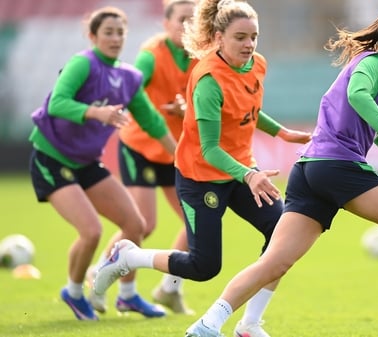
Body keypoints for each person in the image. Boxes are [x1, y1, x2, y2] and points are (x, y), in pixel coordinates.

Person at [99, 10, 378, 337]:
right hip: (335, 166)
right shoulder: (372, 63)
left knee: (275, 260)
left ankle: (208, 325)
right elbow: (358, 97)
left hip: (309, 171)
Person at [93, 0, 311, 336]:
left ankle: (250, 324)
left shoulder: (257, 64)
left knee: (282, 236)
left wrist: (281, 132)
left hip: (240, 171)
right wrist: (250, 174)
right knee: (203, 265)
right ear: (219, 37)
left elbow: (247, 111)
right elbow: (209, 149)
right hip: (202, 177)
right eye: (240, 37)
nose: (249, 44)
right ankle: (127, 257)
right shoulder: (208, 77)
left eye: (254, 36)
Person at [27, 6, 177, 321]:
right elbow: (57, 103)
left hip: (86, 162)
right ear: (93, 36)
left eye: (120, 32)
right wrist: (98, 112)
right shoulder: (83, 63)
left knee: (135, 225)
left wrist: (179, 157)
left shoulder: (129, 76)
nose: (115, 38)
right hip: (52, 158)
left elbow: (151, 120)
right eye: (108, 32)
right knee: (92, 231)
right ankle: (74, 290)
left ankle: (127, 296)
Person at [86, 0, 197, 316]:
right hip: (141, 148)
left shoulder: (201, 56)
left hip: (175, 150)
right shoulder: (151, 54)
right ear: (166, 24)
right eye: (182, 20)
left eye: (194, 20)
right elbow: (132, 88)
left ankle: (169, 289)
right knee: (143, 224)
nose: (188, 26)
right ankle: (100, 272)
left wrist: (186, 109)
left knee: (197, 223)